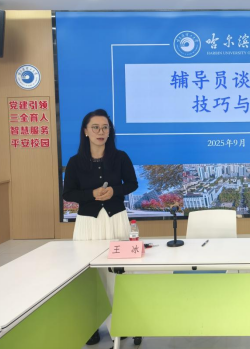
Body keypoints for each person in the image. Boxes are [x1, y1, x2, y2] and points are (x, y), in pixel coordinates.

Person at [63, 108, 138, 345]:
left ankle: (121, 321)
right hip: (88, 223)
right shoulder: (75, 162)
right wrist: (91, 194)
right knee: (90, 276)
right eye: (95, 127)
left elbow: (132, 184)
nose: (100, 131)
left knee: (119, 273)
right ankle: (92, 325)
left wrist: (114, 190)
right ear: (85, 131)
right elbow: (68, 193)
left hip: (116, 219)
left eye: (105, 127)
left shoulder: (121, 157)